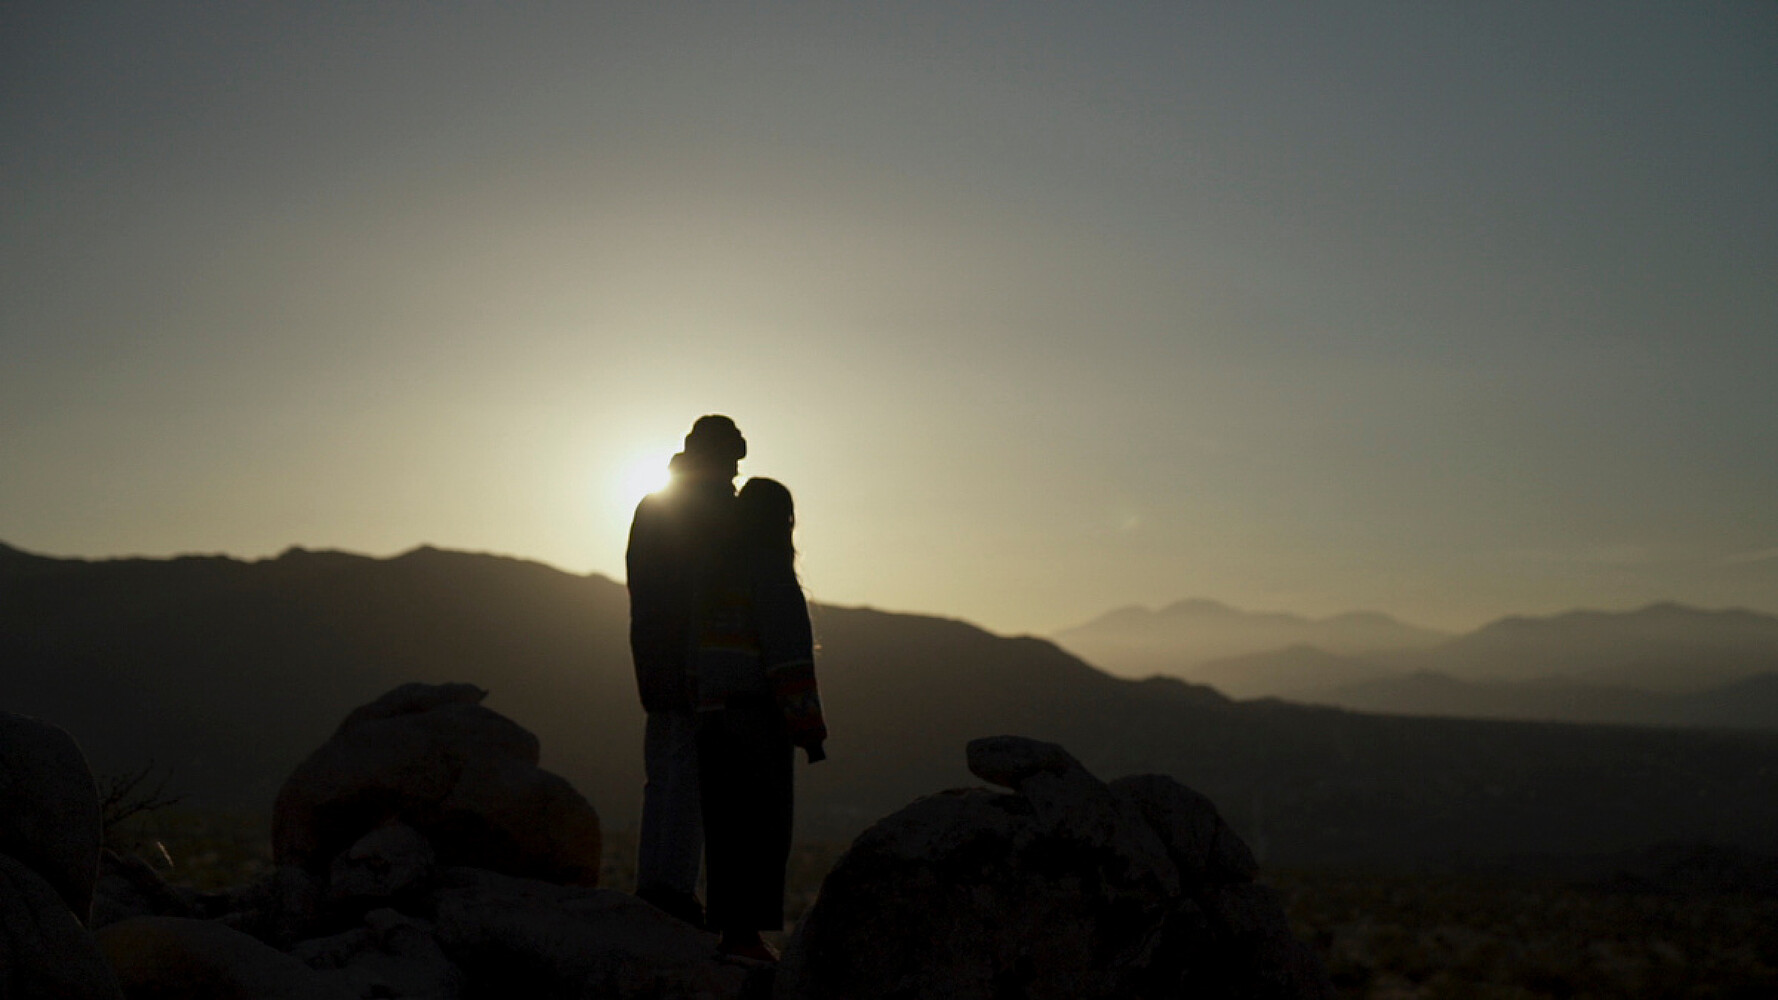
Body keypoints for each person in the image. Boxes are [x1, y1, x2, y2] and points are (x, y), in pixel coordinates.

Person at [694, 477, 827, 962]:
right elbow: (788, 658)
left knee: (725, 828)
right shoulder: (771, 572)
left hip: (709, 718)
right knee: (761, 827)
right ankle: (746, 938)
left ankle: (731, 932)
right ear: (783, 522)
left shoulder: (714, 574)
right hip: (754, 720)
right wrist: (809, 731)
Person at [626, 415, 747, 928]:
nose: (735, 473)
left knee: (662, 776)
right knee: (693, 778)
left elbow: (643, 585)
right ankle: (673, 891)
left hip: (655, 656)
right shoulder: (718, 511)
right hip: (700, 662)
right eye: (732, 462)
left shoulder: (652, 506)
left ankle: (653, 884)